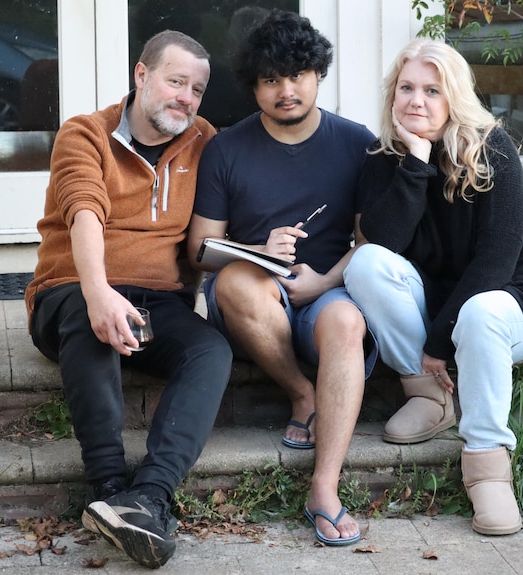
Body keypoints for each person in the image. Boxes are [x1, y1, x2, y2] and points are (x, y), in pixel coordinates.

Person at [24, 30, 232, 569]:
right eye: (176, 81)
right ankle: (109, 486)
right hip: (70, 290)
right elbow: (84, 211)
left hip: (159, 300)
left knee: (211, 351)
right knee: (92, 324)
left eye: (198, 89)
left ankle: (150, 497)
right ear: (142, 76)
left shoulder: (206, 140)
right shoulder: (84, 133)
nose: (186, 97)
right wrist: (99, 294)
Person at [342, 39, 523, 536]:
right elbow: (384, 242)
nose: (417, 101)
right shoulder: (384, 158)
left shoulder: (492, 149)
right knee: (366, 265)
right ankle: (431, 398)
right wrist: (415, 162)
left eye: (432, 90)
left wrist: (439, 342)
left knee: (479, 311)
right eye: (407, 88)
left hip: (511, 306)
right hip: (439, 307)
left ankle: (487, 468)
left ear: (453, 96)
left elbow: (497, 263)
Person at [187, 10, 377, 547]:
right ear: (254, 87)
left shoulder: (356, 142)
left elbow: (370, 241)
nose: (285, 90)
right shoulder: (226, 148)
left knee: (345, 319)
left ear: (318, 74)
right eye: (270, 80)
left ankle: (325, 486)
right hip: (252, 304)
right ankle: (304, 395)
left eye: (296, 75)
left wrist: (322, 282)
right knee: (236, 282)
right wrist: (257, 250)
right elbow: (200, 249)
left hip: (325, 292)